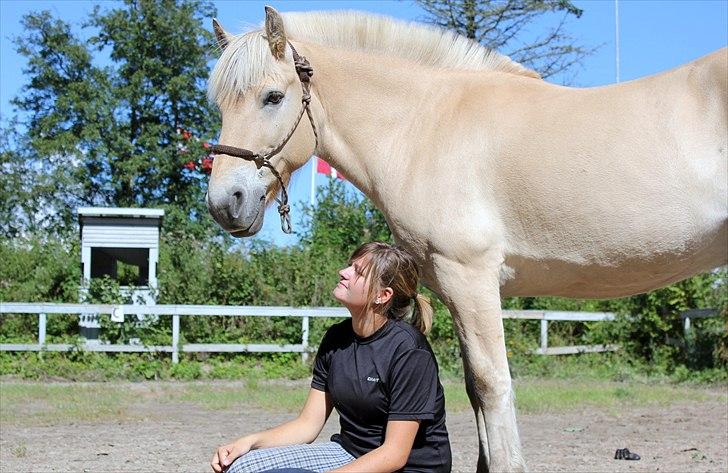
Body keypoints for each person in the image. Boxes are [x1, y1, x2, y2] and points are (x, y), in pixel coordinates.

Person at [211, 242, 452, 473]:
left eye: (357, 271)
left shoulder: (409, 351)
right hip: (349, 452)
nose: (343, 272)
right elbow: (307, 425)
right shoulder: (336, 339)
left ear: (382, 295)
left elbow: (394, 454)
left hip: (409, 466)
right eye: (350, 265)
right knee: (241, 465)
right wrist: (249, 442)